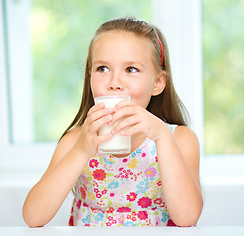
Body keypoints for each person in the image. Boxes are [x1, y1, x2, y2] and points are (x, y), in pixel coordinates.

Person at [22, 17, 203, 227]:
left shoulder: (179, 139)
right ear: (90, 78)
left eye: (131, 69)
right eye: (103, 69)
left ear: (158, 83)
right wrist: (81, 151)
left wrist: (162, 136)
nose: (114, 83)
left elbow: (187, 217)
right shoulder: (75, 141)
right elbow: (33, 217)